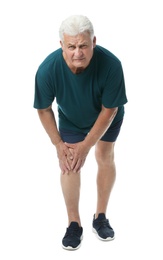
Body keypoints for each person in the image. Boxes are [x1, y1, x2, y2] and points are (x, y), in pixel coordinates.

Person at [33, 14, 128, 250]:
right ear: (62, 46)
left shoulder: (111, 65)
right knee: (69, 162)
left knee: (104, 157)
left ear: (93, 42)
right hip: (72, 118)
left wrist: (86, 146)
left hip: (106, 116)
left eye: (84, 45)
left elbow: (110, 109)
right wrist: (58, 145)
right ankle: (74, 223)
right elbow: (44, 109)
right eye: (72, 46)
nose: (78, 52)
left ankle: (100, 217)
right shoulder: (47, 69)